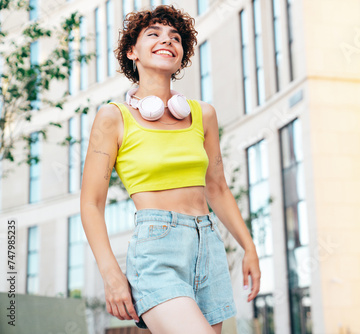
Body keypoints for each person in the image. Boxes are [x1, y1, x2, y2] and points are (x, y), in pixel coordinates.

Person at [80, 5, 261, 334]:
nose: (167, 40)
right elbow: (91, 203)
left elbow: (217, 189)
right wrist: (111, 274)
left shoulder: (203, 114)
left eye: (175, 37)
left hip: (208, 246)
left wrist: (249, 247)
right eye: (154, 34)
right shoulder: (112, 117)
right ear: (132, 52)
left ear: (182, 55)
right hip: (156, 249)